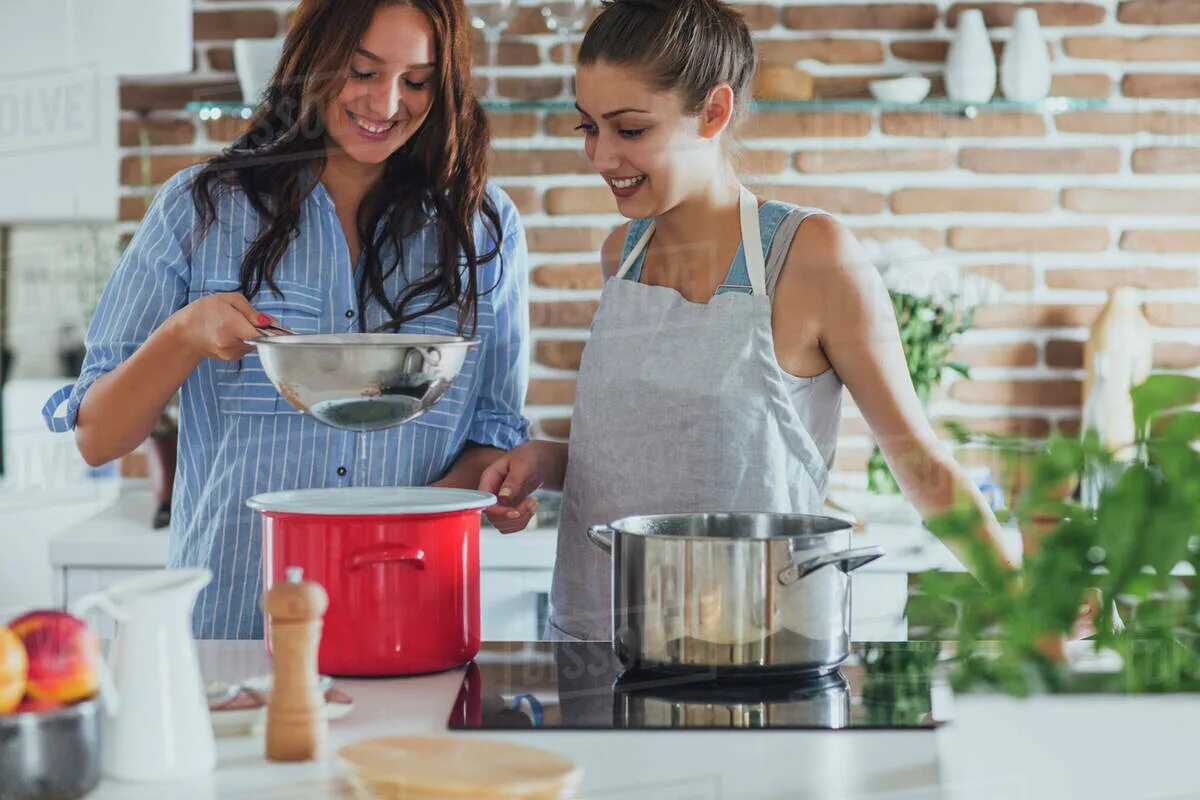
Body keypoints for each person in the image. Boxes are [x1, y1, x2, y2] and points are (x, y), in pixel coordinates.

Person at [479, 0, 1011, 642]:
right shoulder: (623, 257)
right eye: (587, 127)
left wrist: (1025, 593)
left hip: (755, 645)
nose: (600, 156)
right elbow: (663, 454)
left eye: (629, 129)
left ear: (714, 111)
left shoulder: (812, 256)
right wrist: (549, 460)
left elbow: (917, 460)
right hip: (600, 635)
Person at [41, 0, 536, 639]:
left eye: (416, 81)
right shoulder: (200, 209)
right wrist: (186, 334)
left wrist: (389, 531)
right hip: (236, 616)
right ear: (313, 62)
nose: (387, 104)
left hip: (409, 610)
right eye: (361, 71)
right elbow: (97, 437)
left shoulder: (482, 225)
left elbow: (494, 430)